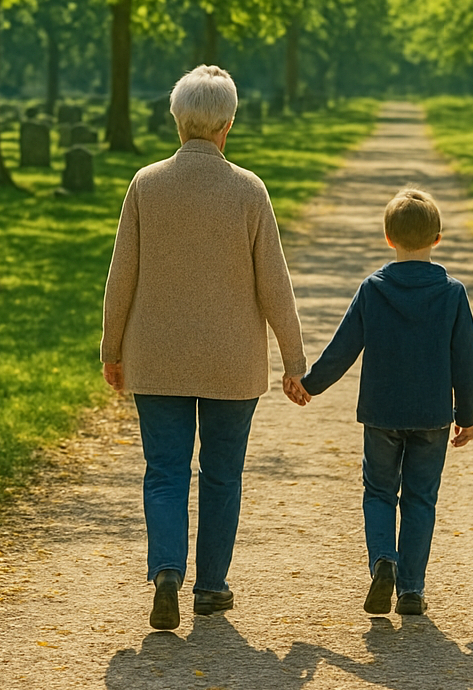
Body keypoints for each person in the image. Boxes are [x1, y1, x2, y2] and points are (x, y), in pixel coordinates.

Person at [100, 65, 310, 631]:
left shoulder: (146, 184)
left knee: (165, 471)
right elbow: (274, 283)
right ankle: (211, 587)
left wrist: (111, 349)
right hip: (231, 362)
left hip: (157, 356)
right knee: (221, 475)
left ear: (177, 120)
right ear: (228, 125)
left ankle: (167, 573)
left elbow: (122, 276)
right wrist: (294, 361)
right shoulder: (249, 190)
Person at [300, 188, 473, 616]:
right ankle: (412, 590)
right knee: (421, 498)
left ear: (388, 237)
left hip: (381, 413)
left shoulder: (373, 289)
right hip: (432, 415)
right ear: (437, 238)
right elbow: (466, 361)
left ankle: (384, 560)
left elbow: (343, 348)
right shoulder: (452, 293)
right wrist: (467, 414)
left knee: (380, 492)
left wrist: (310, 385)